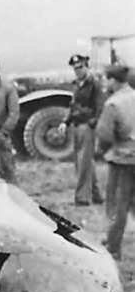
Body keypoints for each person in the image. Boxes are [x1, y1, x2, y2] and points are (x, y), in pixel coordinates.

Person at [96, 64, 135, 260]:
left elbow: (105, 136)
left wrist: (105, 151)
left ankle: (113, 246)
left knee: (117, 205)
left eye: (107, 78)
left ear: (113, 80)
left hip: (122, 160)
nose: (105, 82)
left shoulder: (113, 103)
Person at [66, 53, 106, 205]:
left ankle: (82, 198)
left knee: (83, 162)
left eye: (80, 67)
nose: (78, 70)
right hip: (77, 126)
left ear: (86, 66)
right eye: (75, 68)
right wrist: (66, 122)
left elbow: (100, 105)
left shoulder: (94, 83)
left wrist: (92, 122)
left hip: (87, 126)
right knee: (85, 161)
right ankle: (96, 195)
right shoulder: (76, 84)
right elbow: (72, 105)